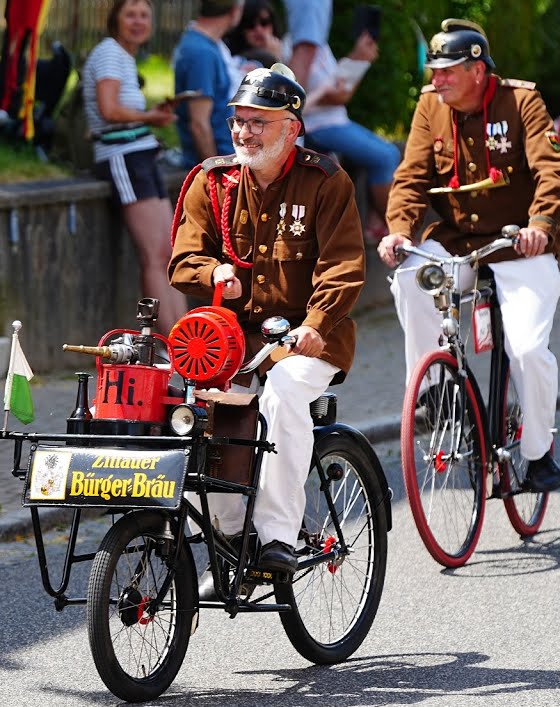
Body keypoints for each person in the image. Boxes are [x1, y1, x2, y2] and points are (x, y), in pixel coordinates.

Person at [169, 64, 366, 574]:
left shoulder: (325, 182)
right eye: (238, 120)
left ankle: (278, 535)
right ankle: (230, 542)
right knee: (193, 414)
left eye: (259, 122)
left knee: (283, 389)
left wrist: (316, 324)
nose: (244, 132)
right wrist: (213, 272)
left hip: (310, 337)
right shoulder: (212, 182)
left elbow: (343, 266)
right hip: (231, 342)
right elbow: (183, 260)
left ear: (292, 128)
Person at [377, 19, 560, 492]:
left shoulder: (521, 102)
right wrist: (399, 231)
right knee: (410, 279)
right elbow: (411, 177)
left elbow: (552, 171)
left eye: (447, 70)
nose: (437, 79)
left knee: (528, 350)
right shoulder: (430, 106)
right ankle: (435, 393)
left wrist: (541, 226)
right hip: (458, 240)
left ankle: (538, 454)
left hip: (518, 244)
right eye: (435, 70)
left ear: (478, 70)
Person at [83, 0, 187, 332]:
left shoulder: (125, 57)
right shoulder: (109, 53)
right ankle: (169, 343)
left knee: (170, 253)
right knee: (154, 256)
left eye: (144, 15)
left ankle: (186, 337)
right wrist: (150, 117)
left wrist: (151, 116)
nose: (138, 21)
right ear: (115, 19)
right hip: (123, 156)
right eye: (130, 14)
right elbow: (109, 110)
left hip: (143, 154)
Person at [283, 0, 399, 242]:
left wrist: (360, 60)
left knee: (387, 153)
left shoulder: (319, 46)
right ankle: (396, 231)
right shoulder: (300, 49)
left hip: (334, 121)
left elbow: (341, 94)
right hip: (318, 126)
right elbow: (310, 98)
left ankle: (376, 223)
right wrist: (358, 59)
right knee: (386, 156)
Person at [172, 0, 245, 167]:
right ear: (235, 11)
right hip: (219, 163)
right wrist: (216, 173)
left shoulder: (205, 44)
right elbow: (199, 125)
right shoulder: (202, 53)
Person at [224, 0, 285, 71]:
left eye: (264, 22)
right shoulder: (230, 57)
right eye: (250, 24)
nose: (258, 29)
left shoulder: (285, 50)